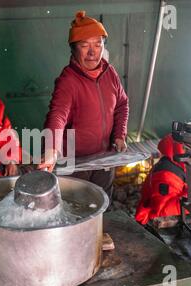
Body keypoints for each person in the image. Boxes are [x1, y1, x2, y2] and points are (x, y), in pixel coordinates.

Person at [37, 11, 129, 198]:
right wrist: (51, 149)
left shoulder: (109, 72)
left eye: (98, 44)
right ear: (73, 48)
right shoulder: (68, 80)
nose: (92, 52)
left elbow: (121, 104)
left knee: (103, 202)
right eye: (84, 45)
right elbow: (57, 115)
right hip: (75, 162)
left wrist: (120, 134)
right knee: (77, 206)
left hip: (104, 158)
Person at [135, 134, 187, 225]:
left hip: (159, 213)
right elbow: (162, 208)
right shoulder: (166, 173)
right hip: (164, 219)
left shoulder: (164, 166)